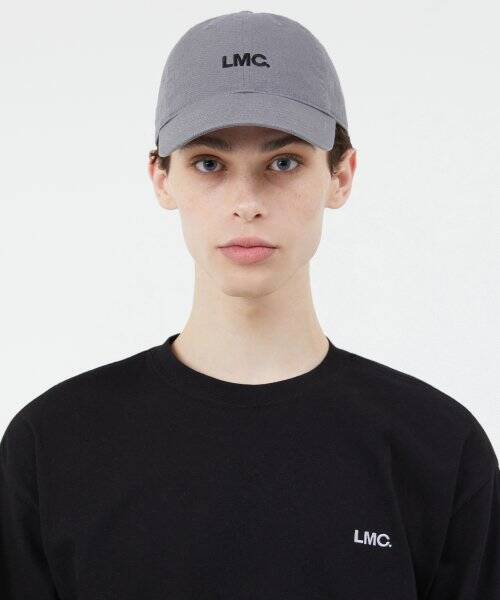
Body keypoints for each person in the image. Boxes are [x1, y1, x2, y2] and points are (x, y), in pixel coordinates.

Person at [1, 10, 498, 600]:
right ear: (161, 178)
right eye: (209, 163)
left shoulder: (438, 449)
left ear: (341, 176)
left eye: (283, 162)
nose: (246, 201)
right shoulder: (53, 446)